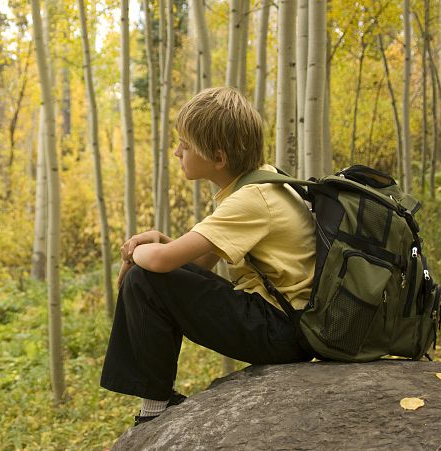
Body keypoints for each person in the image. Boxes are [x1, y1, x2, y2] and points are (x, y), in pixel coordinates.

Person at [100, 86, 316, 426]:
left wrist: (135, 253)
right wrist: (157, 242)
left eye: (185, 145)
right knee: (151, 276)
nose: (176, 152)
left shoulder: (250, 201)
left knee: (144, 277)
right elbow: (196, 264)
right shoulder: (264, 181)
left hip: (281, 332)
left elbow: (160, 263)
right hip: (288, 325)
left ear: (218, 158)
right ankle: (157, 400)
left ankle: (155, 409)